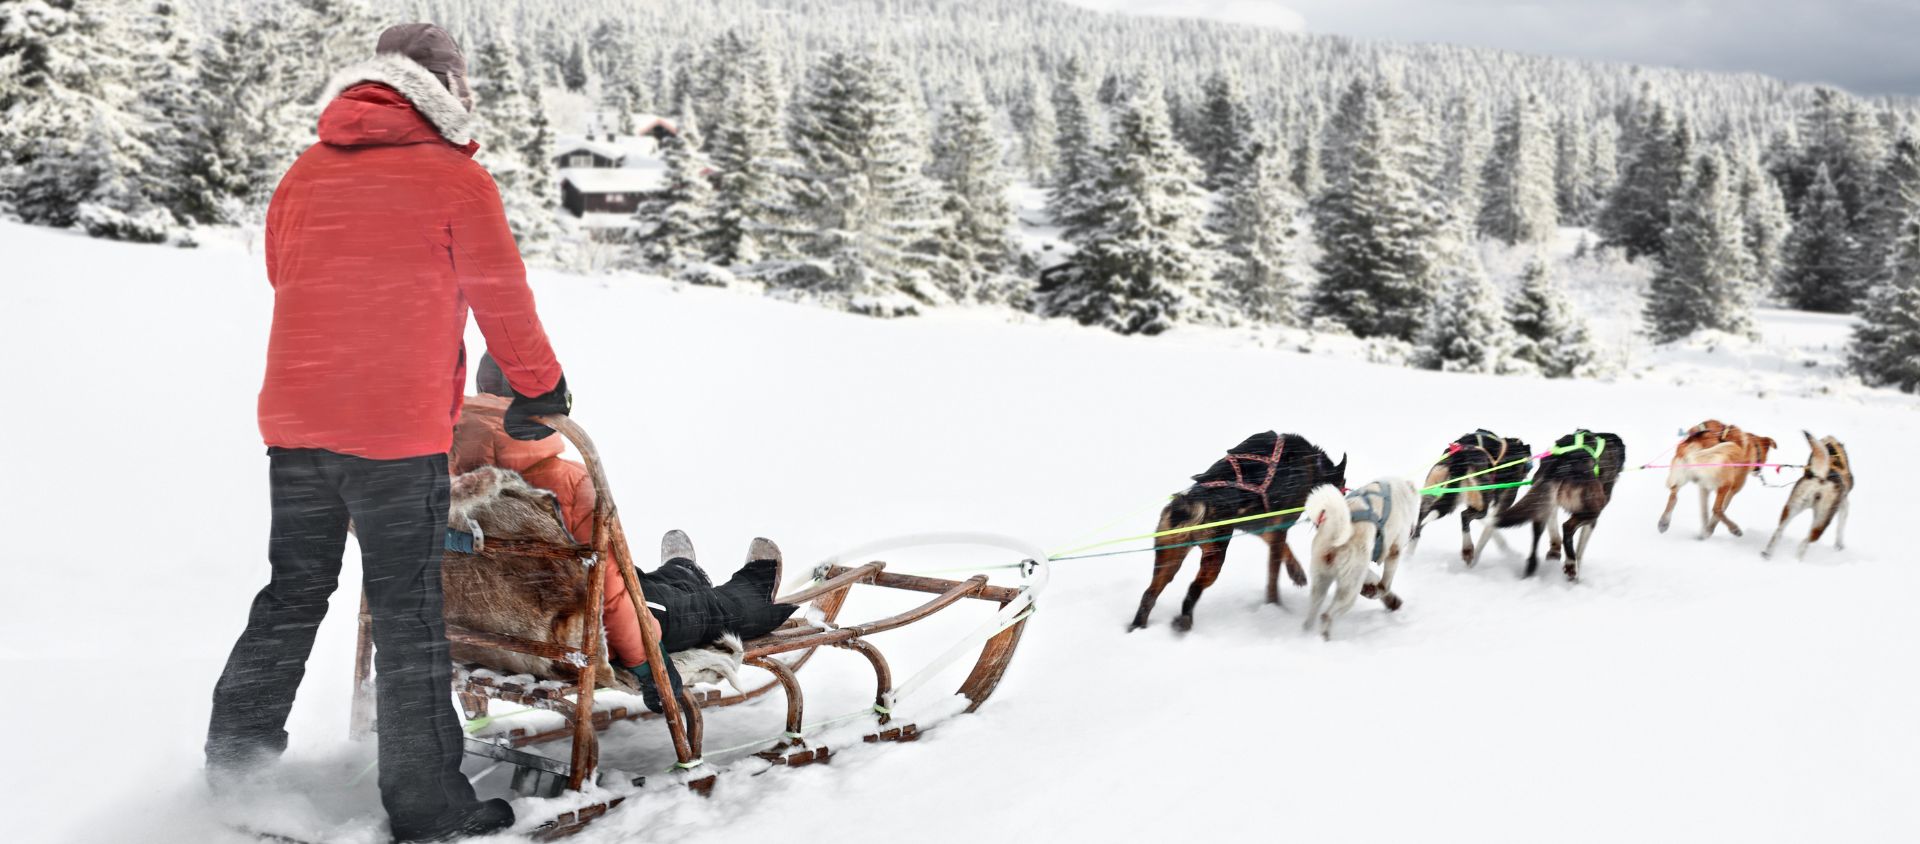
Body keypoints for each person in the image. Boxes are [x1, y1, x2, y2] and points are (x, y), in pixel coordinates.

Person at [205, 24, 567, 842]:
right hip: (395, 437)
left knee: (292, 594)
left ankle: (234, 765)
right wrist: (542, 388)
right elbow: (502, 300)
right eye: (462, 81)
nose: (469, 94)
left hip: (297, 426)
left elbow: (284, 271)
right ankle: (429, 807)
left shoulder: (305, 170)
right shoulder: (455, 180)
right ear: (439, 85)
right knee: (408, 612)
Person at [450, 355, 798, 711]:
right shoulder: (565, 482)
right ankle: (751, 591)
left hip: (500, 634)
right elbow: (612, 594)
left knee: (641, 584)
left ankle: (681, 572)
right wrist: (649, 665)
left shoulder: (448, 478)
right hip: (578, 637)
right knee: (702, 610)